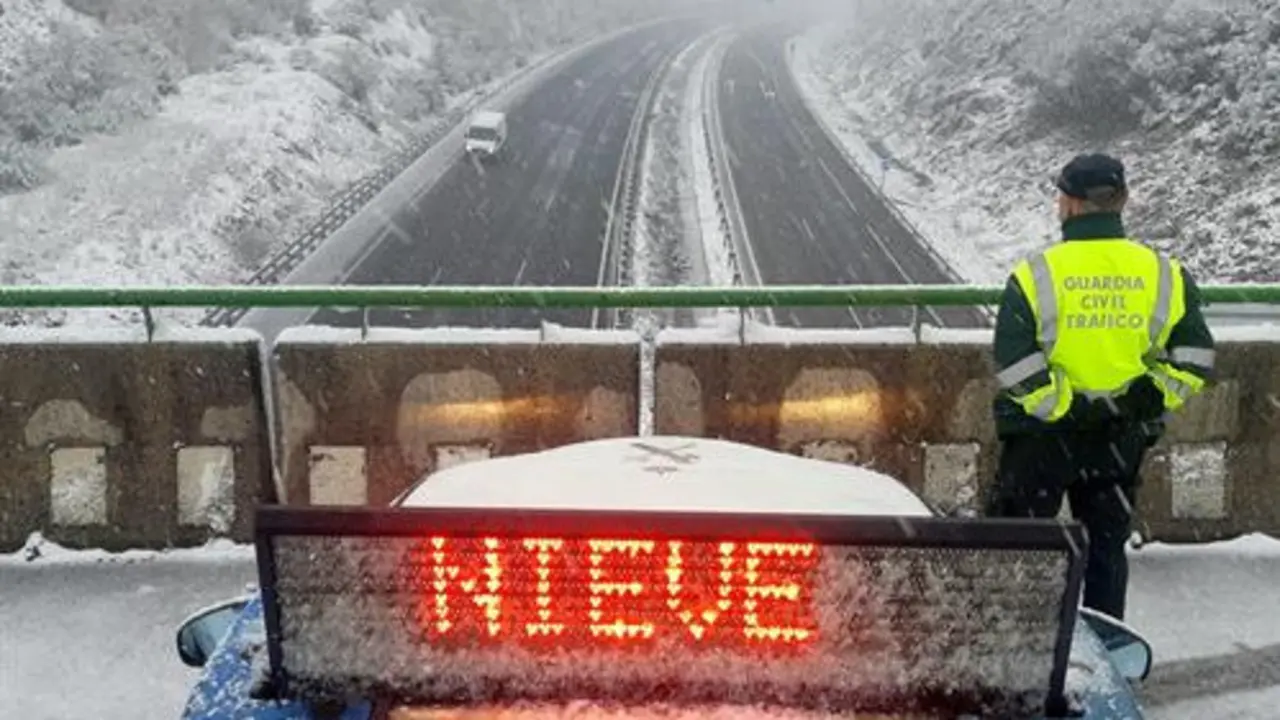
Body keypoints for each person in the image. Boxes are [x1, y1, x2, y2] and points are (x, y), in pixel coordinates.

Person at [984, 153, 1215, 621]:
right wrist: (1146, 395)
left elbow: (1014, 361)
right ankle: (1108, 653)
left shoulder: (1035, 274)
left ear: (1066, 205)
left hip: (1040, 440)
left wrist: (1065, 406)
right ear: (1123, 201)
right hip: (1119, 437)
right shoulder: (1164, 273)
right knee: (1106, 553)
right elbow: (1193, 357)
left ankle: (1018, 648)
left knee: (1021, 549)